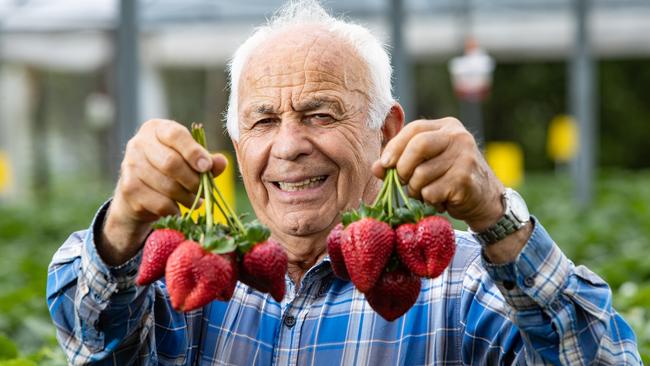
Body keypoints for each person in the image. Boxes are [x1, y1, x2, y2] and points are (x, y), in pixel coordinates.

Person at [47, 1, 641, 364]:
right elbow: (90, 337)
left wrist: (496, 216)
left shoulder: (460, 287)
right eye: (262, 120)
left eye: (320, 114)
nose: (288, 145)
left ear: (386, 131)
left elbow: (604, 358)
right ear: (234, 145)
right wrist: (124, 223)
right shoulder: (201, 279)